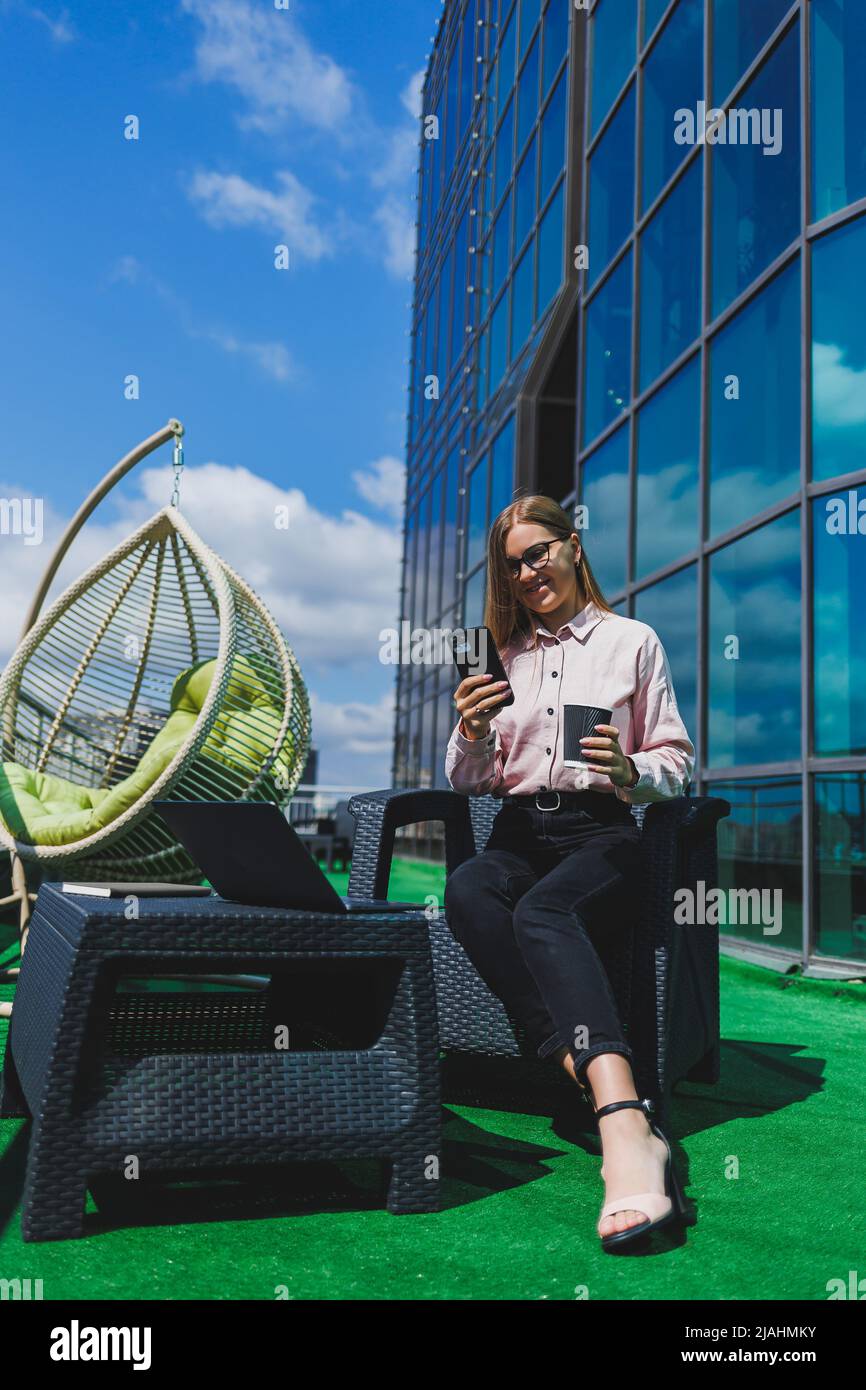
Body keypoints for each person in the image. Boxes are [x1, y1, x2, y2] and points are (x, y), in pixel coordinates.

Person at [443, 494, 696, 1251]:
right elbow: (467, 780)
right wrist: (470, 732)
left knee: (543, 913)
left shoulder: (633, 642)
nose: (525, 573)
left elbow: (678, 763)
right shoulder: (503, 655)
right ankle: (606, 1088)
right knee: (469, 887)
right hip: (522, 828)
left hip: (603, 833)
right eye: (512, 564)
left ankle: (624, 1131)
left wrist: (629, 767)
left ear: (572, 547)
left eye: (538, 554)